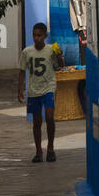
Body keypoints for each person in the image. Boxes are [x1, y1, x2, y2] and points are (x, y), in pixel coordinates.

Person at [18, 23, 63, 163]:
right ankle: (38, 151)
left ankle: (50, 148)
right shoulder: (27, 52)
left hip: (49, 87)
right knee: (36, 122)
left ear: (45, 36)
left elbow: (60, 66)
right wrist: (20, 89)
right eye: (34, 35)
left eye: (39, 35)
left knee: (49, 117)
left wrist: (60, 56)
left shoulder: (51, 50)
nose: (36, 38)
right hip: (33, 90)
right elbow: (22, 71)